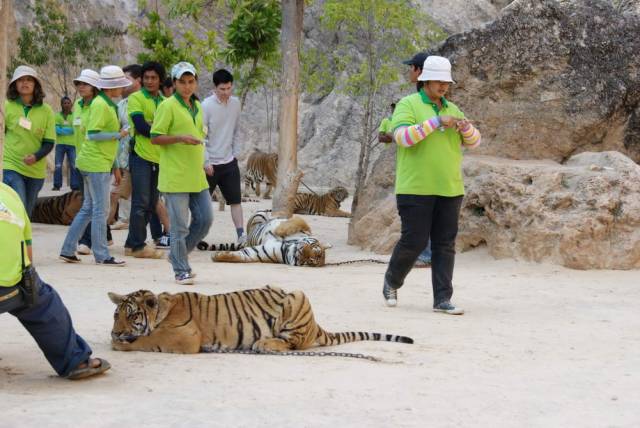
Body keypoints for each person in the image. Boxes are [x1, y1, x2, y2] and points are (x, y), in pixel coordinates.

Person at [382, 55, 481, 314]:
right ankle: (392, 281)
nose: (444, 87)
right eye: (439, 81)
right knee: (414, 241)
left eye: (446, 82)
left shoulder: (453, 108)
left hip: (450, 187)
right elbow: (402, 137)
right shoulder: (407, 104)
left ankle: (442, 300)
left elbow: (475, 143)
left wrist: (465, 128)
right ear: (425, 80)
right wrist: (436, 122)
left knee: (444, 245)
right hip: (414, 187)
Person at [0, 182, 111, 379]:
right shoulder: (8, 194)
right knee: (44, 303)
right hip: (12, 287)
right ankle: (76, 360)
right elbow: (28, 254)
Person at [59, 65, 130, 266]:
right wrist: (119, 134)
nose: (122, 89)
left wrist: (114, 162)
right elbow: (93, 134)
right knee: (101, 210)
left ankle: (67, 249)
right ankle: (102, 255)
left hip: (93, 161)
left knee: (89, 208)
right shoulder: (101, 104)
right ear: (111, 86)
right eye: (119, 85)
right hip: (95, 162)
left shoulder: (104, 104)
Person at [150, 62, 213, 285]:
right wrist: (179, 138)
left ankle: (177, 254)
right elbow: (155, 136)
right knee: (179, 226)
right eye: (182, 82)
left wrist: (206, 161)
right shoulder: (167, 106)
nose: (187, 86)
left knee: (206, 220)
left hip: (196, 175)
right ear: (174, 83)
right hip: (175, 177)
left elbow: (201, 137)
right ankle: (180, 269)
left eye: (191, 82)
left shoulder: (197, 106)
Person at [123, 61, 167, 259]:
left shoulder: (165, 102)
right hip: (140, 156)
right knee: (140, 202)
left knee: (151, 203)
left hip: (159, 157)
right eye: (146, 78)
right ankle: (138, 246)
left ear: (160, 80)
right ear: (142, 79)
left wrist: (156, 128)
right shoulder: (136, 98)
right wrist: (160, 130)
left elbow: (170, 126)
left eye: (154, 78)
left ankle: (132, 243)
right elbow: (141, 126)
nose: (150, 81)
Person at [2, 66, 56, 217]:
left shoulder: (47, 111)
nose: (24, 83)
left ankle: (24, 241)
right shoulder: (6, 106)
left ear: (35, 85)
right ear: (14, 84)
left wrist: (36, 157)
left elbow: (49, 142)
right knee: (18, 206)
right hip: (11, 164)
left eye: (28, 80)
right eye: (20, 80)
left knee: (26, 214)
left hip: (36, 170)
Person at [202, 69, 245, 244]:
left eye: (229, 88)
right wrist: (205, 161)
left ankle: (241, 234)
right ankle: (198, 236)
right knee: (203, 205)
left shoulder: (235, 103)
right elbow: (201, 137)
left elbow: (237, 130)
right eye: (222, 89)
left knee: (236, 201)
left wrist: (236, 153)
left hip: (229, 162)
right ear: (215, 88)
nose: (226, 92)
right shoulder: (205, 106)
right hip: (210, 163)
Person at [402, 52, 433, 268]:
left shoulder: (418, 100)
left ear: (419, 70)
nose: (409, 71)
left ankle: (426, 254)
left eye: (411, 67)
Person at [109, 64, 142, 231]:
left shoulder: (146, 101)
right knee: (118, 188)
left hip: (142, 152)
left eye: (127, 79)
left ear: (138, 80)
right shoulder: (121, 105)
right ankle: (122, 218)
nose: (123, 83)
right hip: (123, 154)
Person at [53, 96, 81, 191]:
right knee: (58, 165)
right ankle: (57, 185)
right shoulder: (57, 116)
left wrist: (62, 129)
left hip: (72, 144)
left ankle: (75, 186)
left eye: (68, 103)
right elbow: (56, 130)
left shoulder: (75, 116)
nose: (66, 105)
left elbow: (75, 129)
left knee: (74, 165)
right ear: (61, 104)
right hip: (60, 144)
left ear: (71, 104)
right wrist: (69, 130)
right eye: (64, 103)